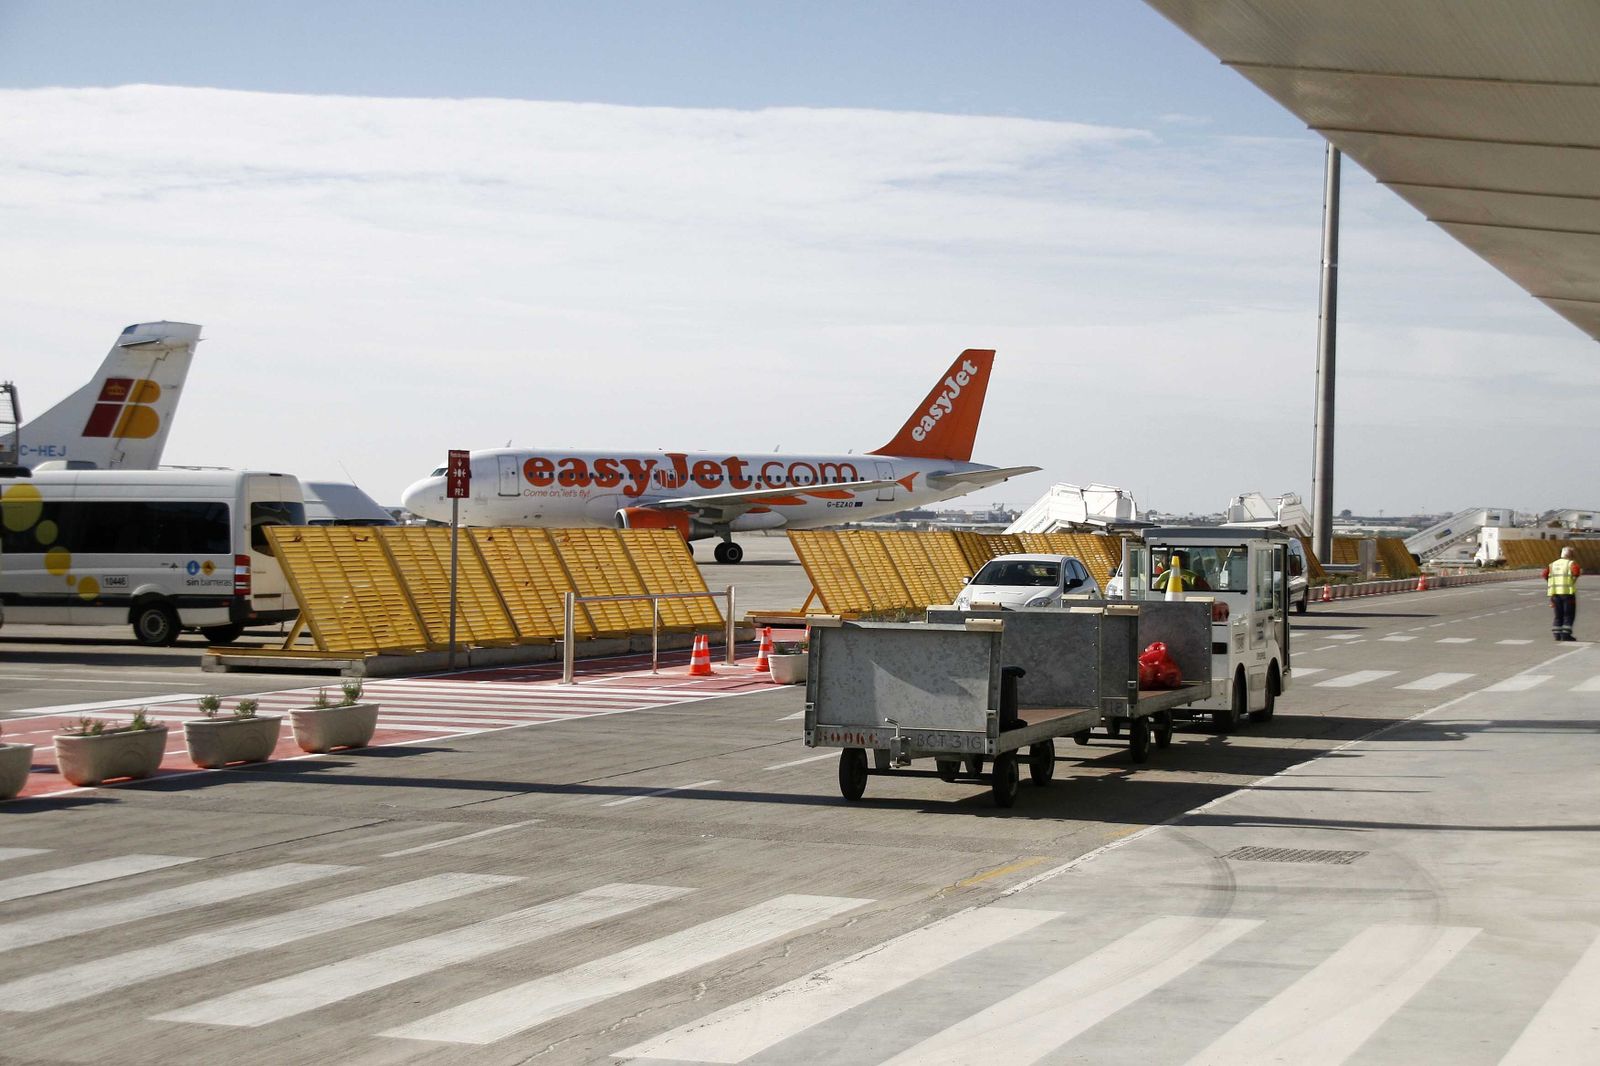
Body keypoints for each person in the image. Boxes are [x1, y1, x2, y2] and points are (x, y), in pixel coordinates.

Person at [1543, 546, 1581, 641]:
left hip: (1555, 593)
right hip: (1567, 593)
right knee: (1568, 614)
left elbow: (1544, 574)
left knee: (1558, 614)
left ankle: (1557, 634)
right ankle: (1565, 635)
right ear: (1570, 555)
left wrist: (1550, 582)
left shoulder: (1552, 564)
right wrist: (1573, 580)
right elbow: (1576, 571)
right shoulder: (1570, 563)